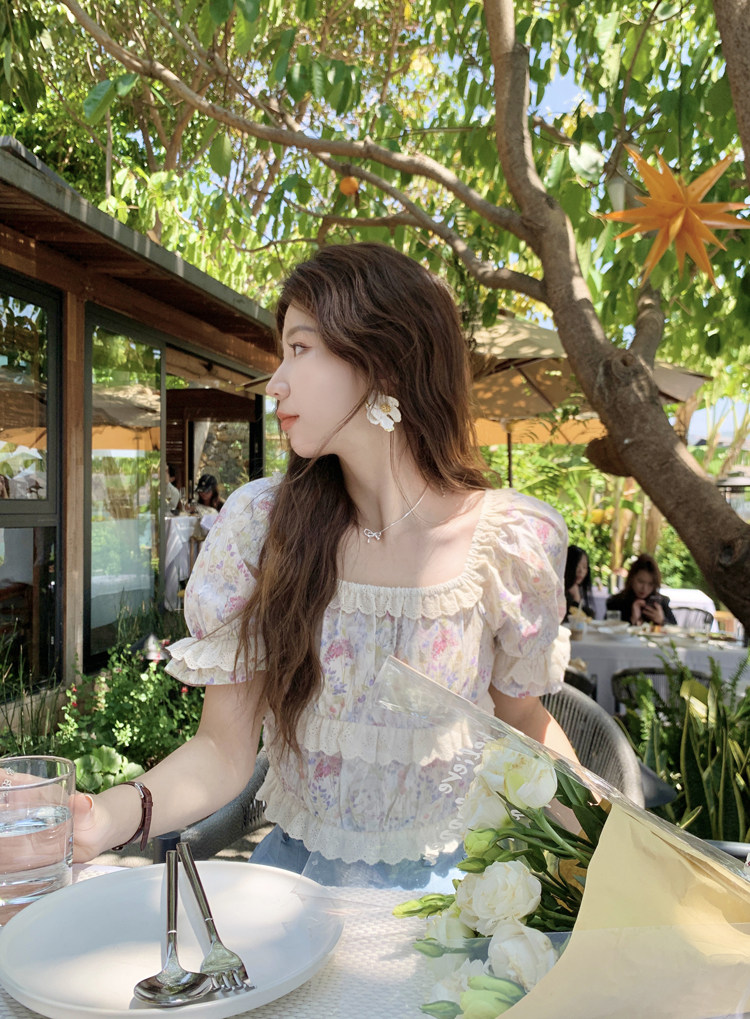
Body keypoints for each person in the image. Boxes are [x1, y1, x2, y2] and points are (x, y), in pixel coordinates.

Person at [71, 243, 576, 870]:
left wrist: (609, 853)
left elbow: (522, 721)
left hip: (454, 903)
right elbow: (222, 751)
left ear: (387, 361)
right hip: (297, 890)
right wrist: (102, 818)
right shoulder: (264, 528)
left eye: (300, 348)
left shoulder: (507, 543)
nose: (275, 382)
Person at [605, 553, 677, 626]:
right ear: (631, 579)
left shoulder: (660, 602)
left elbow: (675, 628)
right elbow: (607, 628)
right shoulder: (616, 602)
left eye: (650, 584)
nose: (644, 588)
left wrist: (662, 621)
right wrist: (632, 620)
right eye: (641, 582)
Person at [564, 545, 595, 622]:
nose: (581, 571)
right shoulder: (559, 592)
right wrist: (576, 598)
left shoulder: (579, 588)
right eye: (577, 566)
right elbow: (571, 621)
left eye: (584, 567)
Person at [192, 474, 224, 538]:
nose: (203, 493)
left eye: (207, 491)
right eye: (201, 491)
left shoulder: (222, 506)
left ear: (214, 491)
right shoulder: (196, 506)